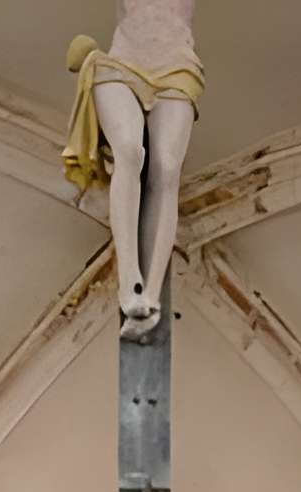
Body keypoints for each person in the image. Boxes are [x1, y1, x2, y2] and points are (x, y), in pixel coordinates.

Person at [63, 0, 201, 338]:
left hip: (177, 68)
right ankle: (130, 282)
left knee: (167, 168)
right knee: (129, 151)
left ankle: (151, 296)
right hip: (121, 63)